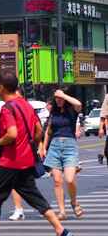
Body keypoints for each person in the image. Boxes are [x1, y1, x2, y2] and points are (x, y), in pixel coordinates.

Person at [0, 71, 73, 236]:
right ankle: (61, 231)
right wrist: (29, 145)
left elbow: (11, 134)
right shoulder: (26, 105)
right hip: (25, 161)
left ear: (1, 87)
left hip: (10, 162)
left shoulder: (7, 108)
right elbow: (38, 131)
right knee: (34, 197)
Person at [40, 90, 83, 220]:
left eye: (60, 98)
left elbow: (79, 104)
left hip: (69, 146)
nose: (58, 100)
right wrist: (44, 147)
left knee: (69, 179)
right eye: (56, 98)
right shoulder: (54, 111)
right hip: (55, 146)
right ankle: (62, 211)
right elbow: (49, 130)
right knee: (57, 181)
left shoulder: (72, 111)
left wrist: (63, 95)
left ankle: (74, 202)